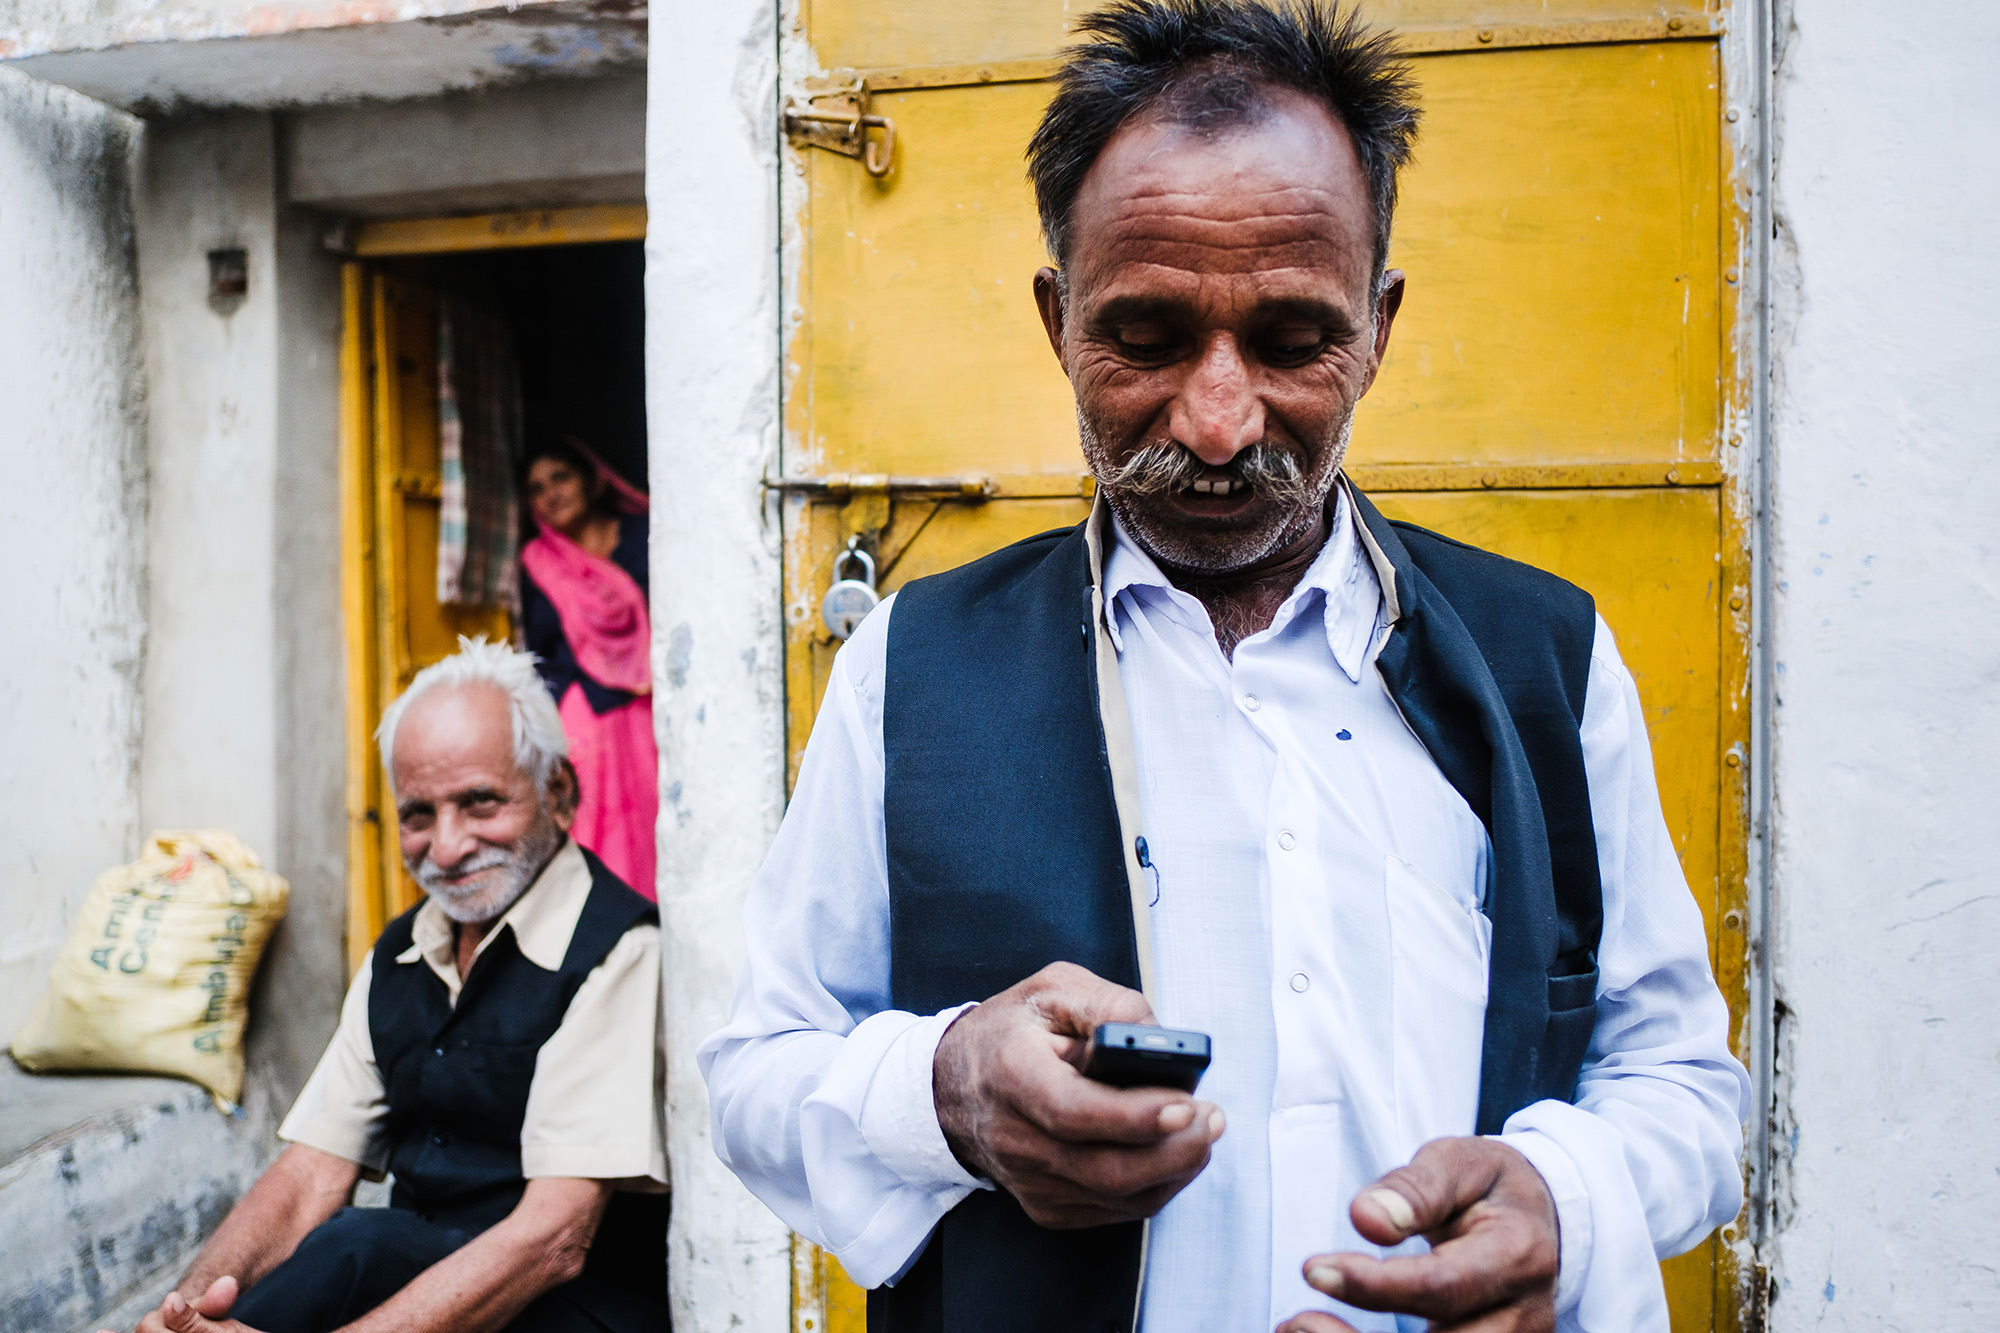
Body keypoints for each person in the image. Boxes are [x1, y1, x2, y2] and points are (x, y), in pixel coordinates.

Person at [699, 3, 1749, 1332]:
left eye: (1293, 340)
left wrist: (1565, 1195)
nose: (1217, 420)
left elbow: (1680, 1087)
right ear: (1055, 318)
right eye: (1143, 337)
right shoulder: (909, 668)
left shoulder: (1548, 655)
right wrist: (948, 1086)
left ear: (1380, 323)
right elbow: (754, 1076)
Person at [111, 639, 668, 1333]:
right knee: (350, 1241)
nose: (447, 845)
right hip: (425, 1291)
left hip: (568, 1307)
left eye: (481, 802)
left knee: (360, 1243)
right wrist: (186, 1310)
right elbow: (311, 1171)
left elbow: (554, 1239)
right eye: (417, 814)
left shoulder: (617, 950)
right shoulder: (403, 950)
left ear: (558, 794)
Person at [519, 439, 658, 899]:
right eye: (537, 488)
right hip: (580, 720)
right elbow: (539, 652)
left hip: (647, 704)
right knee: (592, 827)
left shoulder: (645, 538)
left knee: (654, 819)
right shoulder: (540, 561)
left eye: (561, 477)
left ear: (595, 481)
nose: (551, 494)